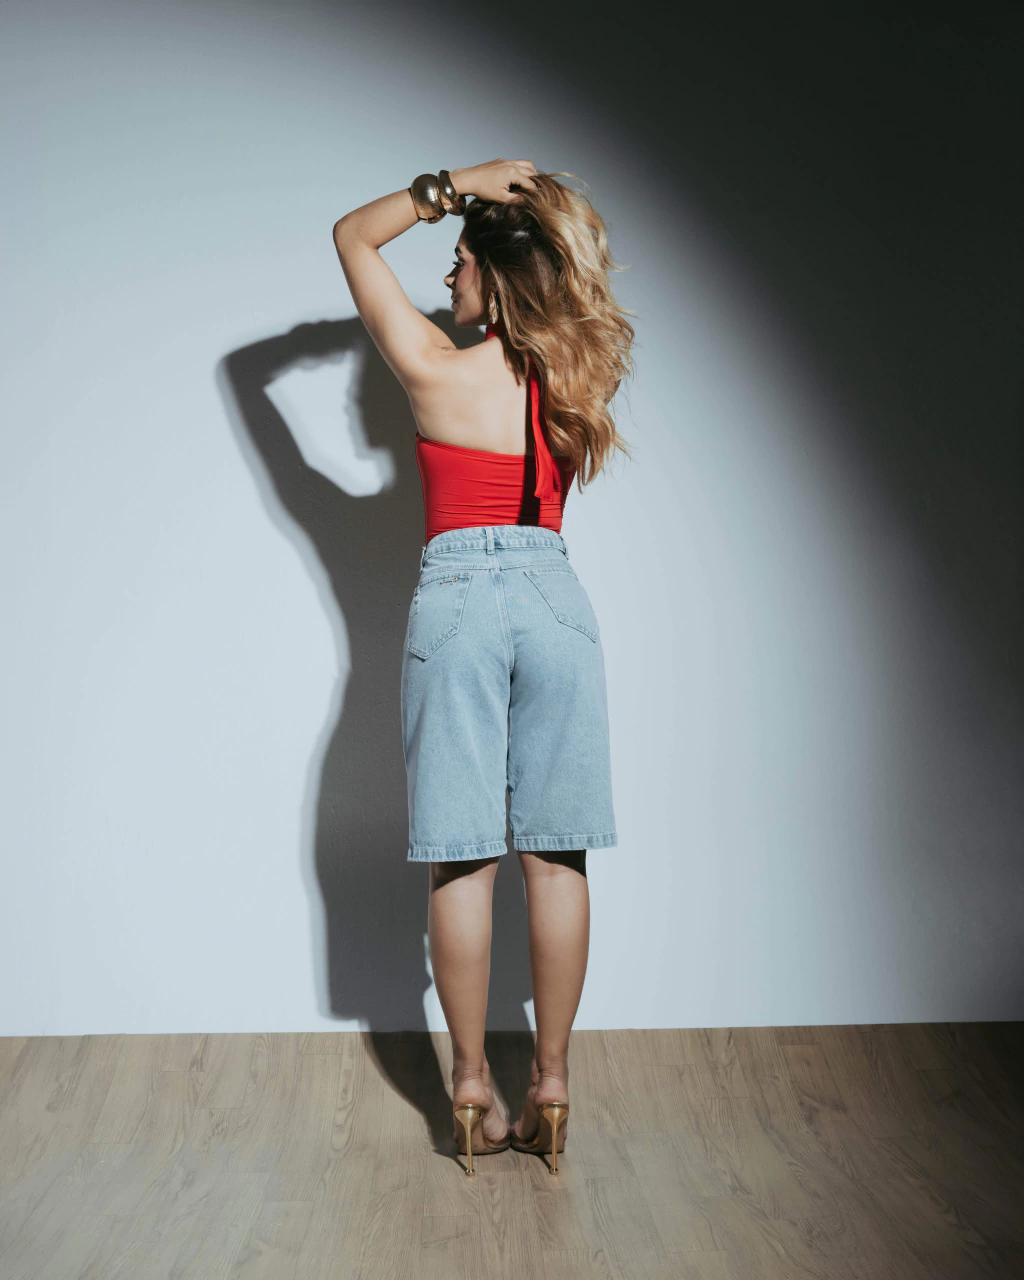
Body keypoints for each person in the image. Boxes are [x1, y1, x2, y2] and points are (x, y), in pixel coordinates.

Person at [332, 159, 634, 1175]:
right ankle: (551, 1082)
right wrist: (517, 214)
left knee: (462, 857)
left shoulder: (429, 365)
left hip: (455, 598)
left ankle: (469, 1086)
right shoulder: (580, 379)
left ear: (495, 277)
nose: (447, 276)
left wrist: (454, 184)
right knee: (559, 855)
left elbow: (350, 235)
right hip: (554, 599)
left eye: (459, 261)